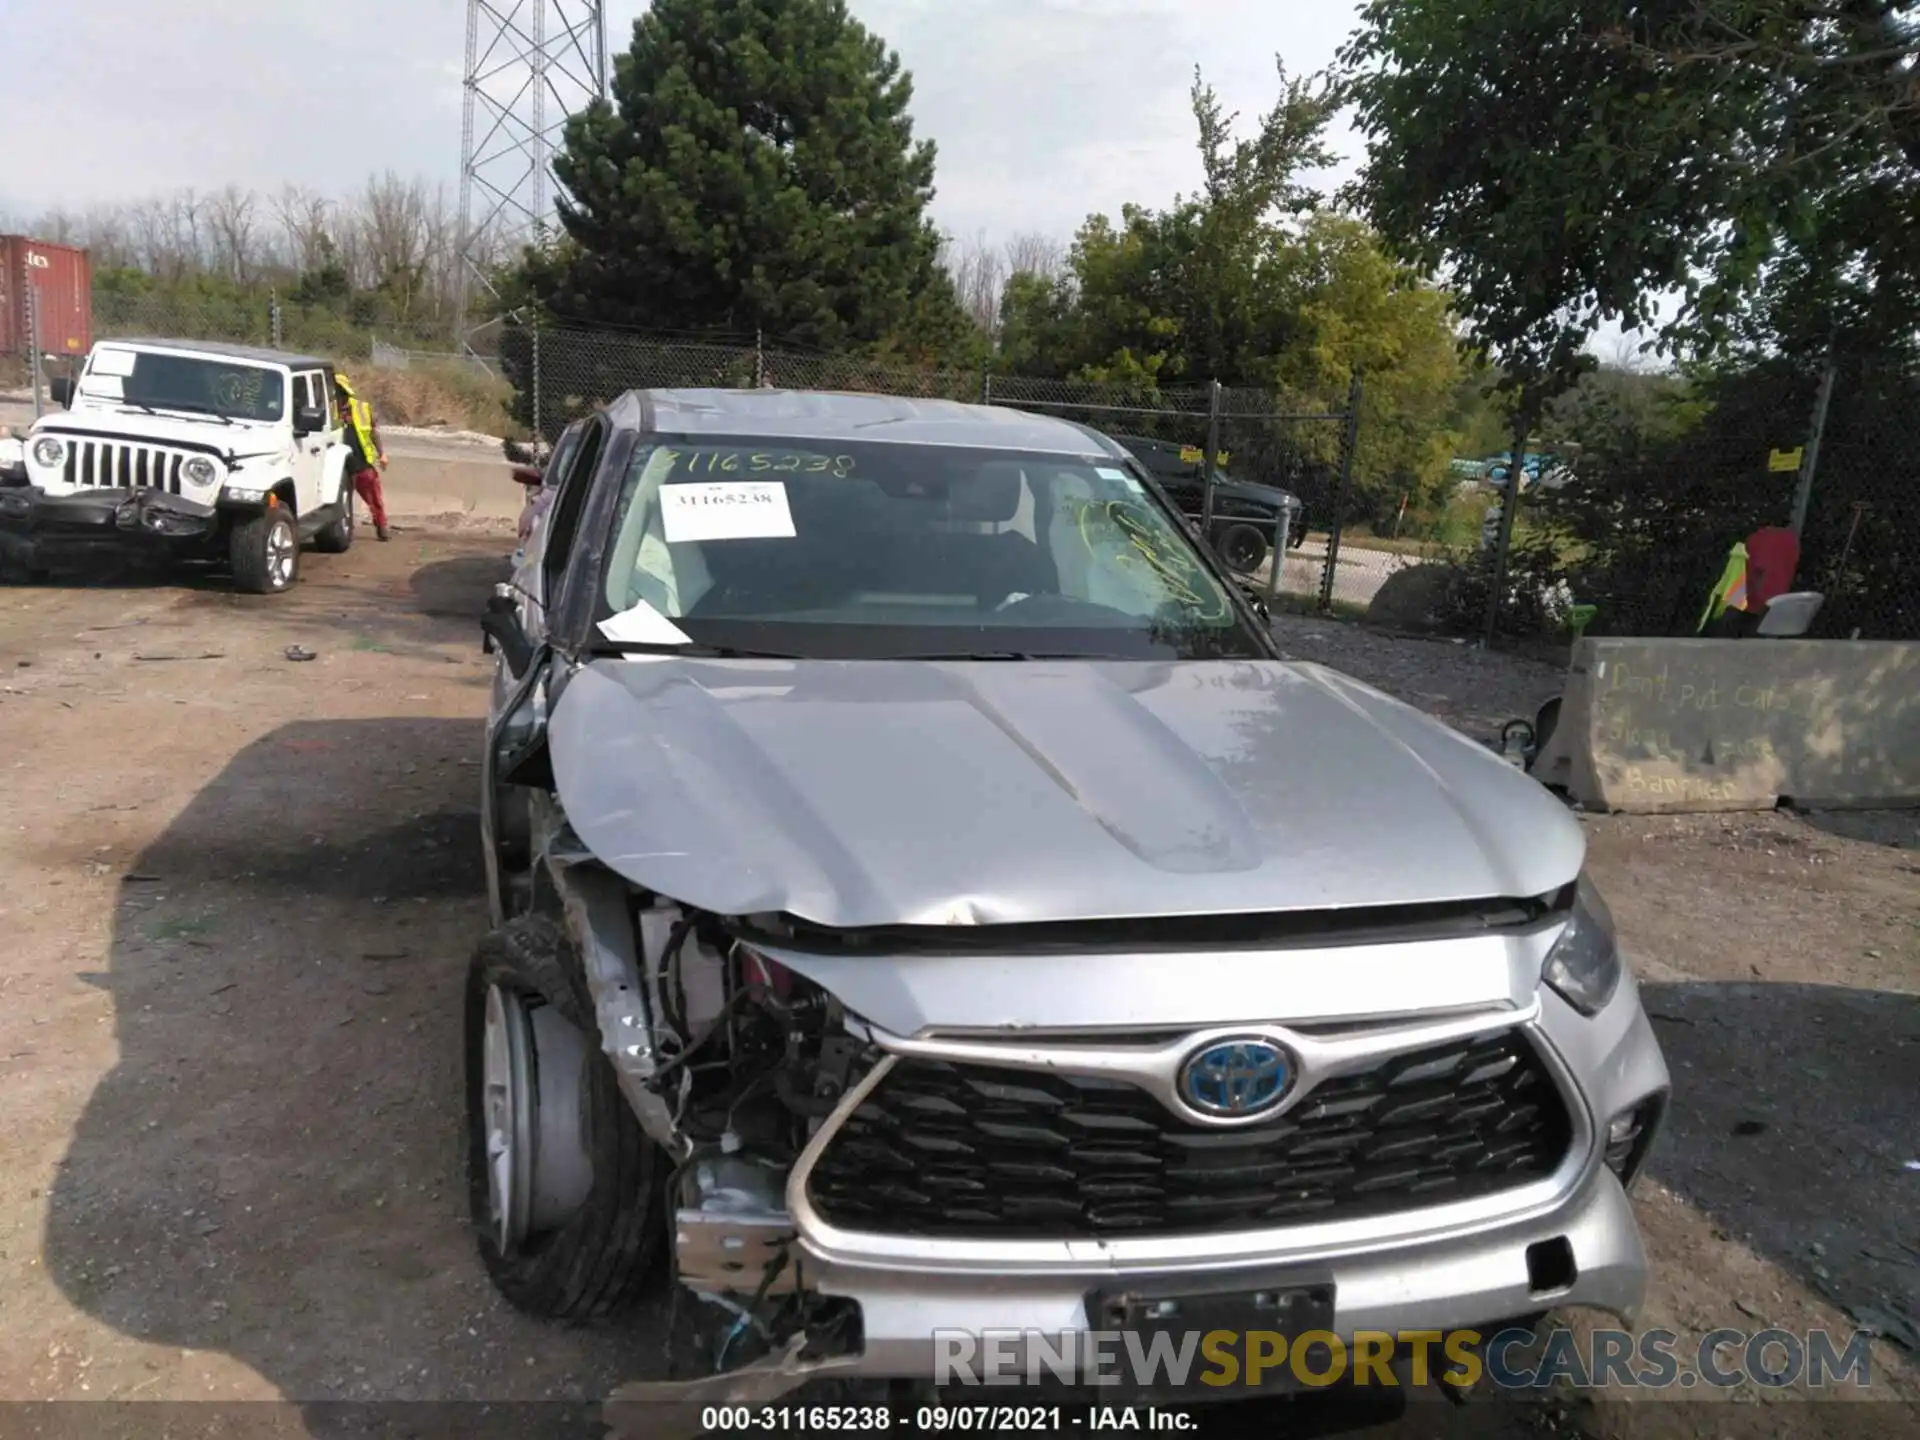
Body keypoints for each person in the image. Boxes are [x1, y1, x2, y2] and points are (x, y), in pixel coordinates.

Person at [333, 370, 390, 540]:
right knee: (341, 502)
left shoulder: (361, 407)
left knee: (374, 498)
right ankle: (343, 532)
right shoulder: (328, 410)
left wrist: (382, 454)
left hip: (361, 462)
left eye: (337, 391)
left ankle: (381, 526)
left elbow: (373, 432)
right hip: (338, 465)